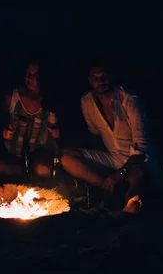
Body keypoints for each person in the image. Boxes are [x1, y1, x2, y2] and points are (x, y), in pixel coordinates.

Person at [61, 65, 157, 213]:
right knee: (67, 158)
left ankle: (128, 212)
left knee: (136, 178)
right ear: (90, 80)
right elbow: (95, 136)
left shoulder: (130, 100)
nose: (101, 81)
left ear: (111, 76)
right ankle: (107, 187)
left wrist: (120, 174)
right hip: (114, 158)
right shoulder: (87, 101)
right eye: (95, 78)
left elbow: (141, 149)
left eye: (104, 76)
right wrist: (101, 169)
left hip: (138, 160)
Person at [0, 62, 61, 182]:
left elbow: (53, 138)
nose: (29, 78)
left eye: (34, 75)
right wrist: (4, 131)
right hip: (13, 154)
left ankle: (30, 173)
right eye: (27, 74)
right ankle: (26, 173)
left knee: (43, 169)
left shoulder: (49, 102)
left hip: (38, 154)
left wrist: (55, 135)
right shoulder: (12, 97)